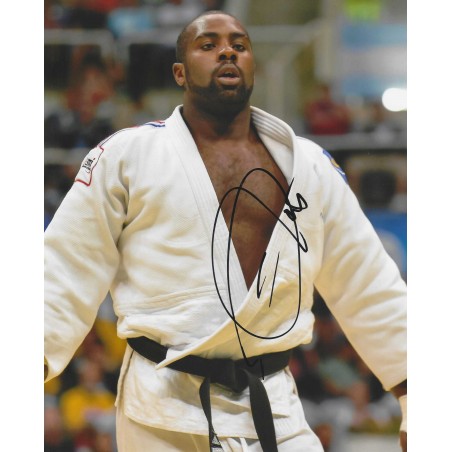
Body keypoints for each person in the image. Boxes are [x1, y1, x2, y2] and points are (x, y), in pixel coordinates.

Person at [44, 11, 407, 452]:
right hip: (161, 412)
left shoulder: (309, 166)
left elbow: (367, 281)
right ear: (179, 72)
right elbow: (64, 268)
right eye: (208, 44)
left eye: (239, 44)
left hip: (274, 406)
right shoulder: (127, 156)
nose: (227, 52)